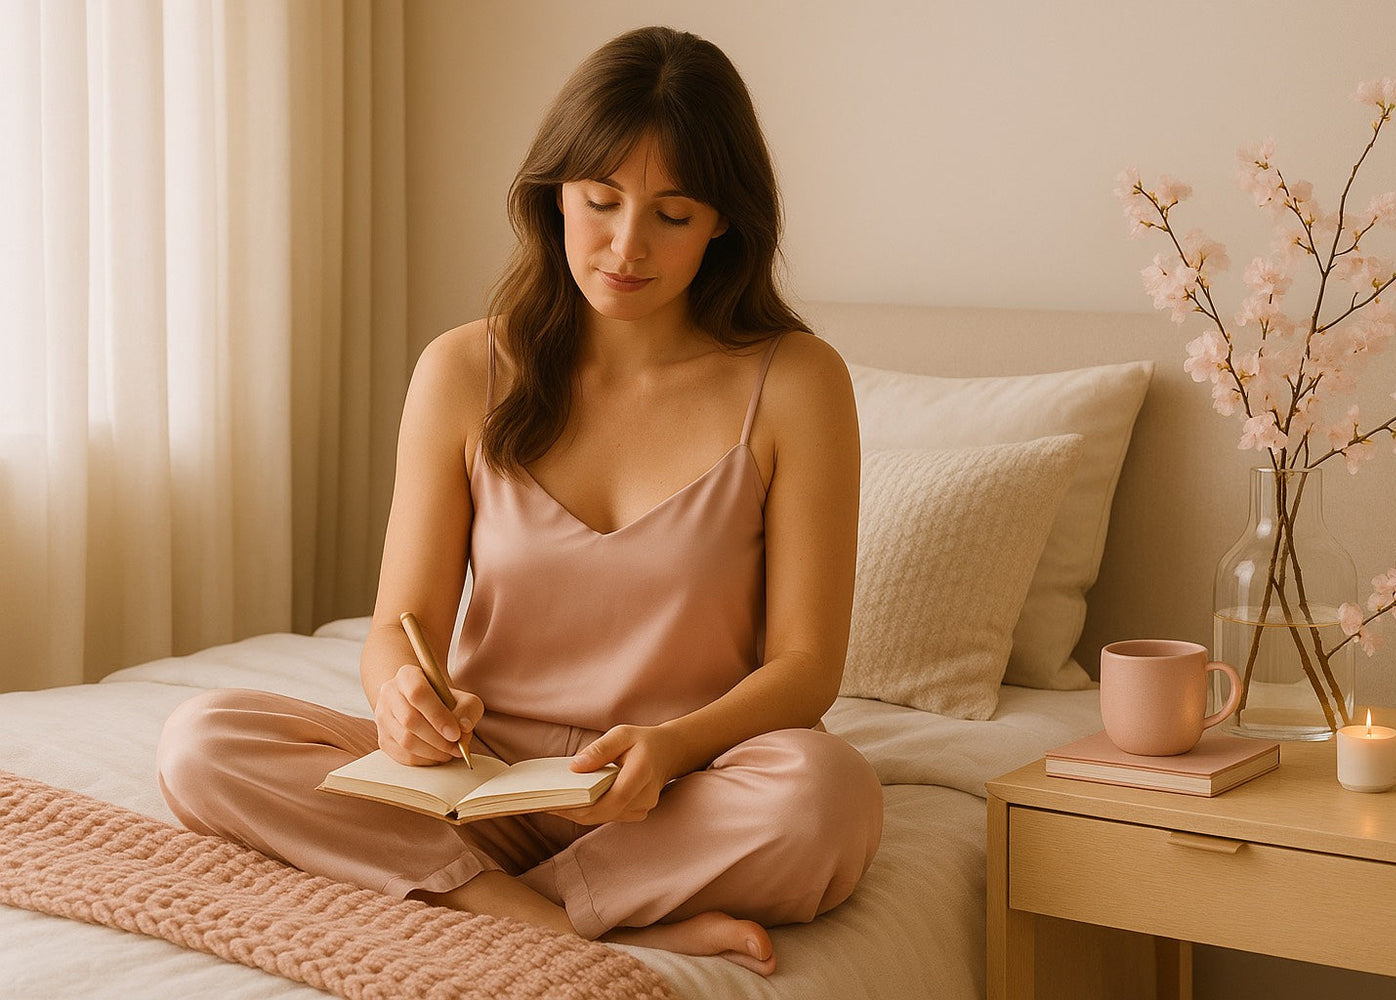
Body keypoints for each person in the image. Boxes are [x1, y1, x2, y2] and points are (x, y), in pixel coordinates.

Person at [156, 25, 882, 976]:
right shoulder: (464, 369)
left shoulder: (795, 382)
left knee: (826, 796)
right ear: (554, 197)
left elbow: (805, 669)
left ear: (723, 223)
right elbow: (399, 626)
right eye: (600, 201)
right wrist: (402, 698)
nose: (626, 245)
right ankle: (557, 924)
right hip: (481, 788)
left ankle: (476, 905)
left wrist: (669, 748)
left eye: (672, 214)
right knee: (202, 741)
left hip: (677, 794)